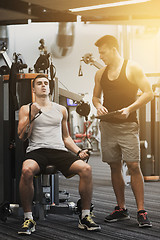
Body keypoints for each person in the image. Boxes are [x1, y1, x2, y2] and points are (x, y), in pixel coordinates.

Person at [17, 74, 101, 235]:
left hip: (58, 150)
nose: (43, 85)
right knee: (26, 170)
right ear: (33, 89)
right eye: (39, 83)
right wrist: (32, 116)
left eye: (46, 83)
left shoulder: (60, 109)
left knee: (86, 169)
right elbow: (22, 136)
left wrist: (78, 151)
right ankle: (28, 218)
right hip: (37, 150)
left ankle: (85, 216)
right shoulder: (26, 109)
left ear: (49, 88)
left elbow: (66, 137)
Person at [92, 35, 153, 228]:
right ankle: (121, 208)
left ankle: (141, 211)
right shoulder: (100, 73)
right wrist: (98, 105)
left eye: (103, 52)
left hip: (128, 126)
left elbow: (148, 92)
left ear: (113, 49)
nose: (100, 56)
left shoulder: (132, 68)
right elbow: (95, 96)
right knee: (114, 166)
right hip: (107, 125)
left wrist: (129, 108)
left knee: (133, 166)